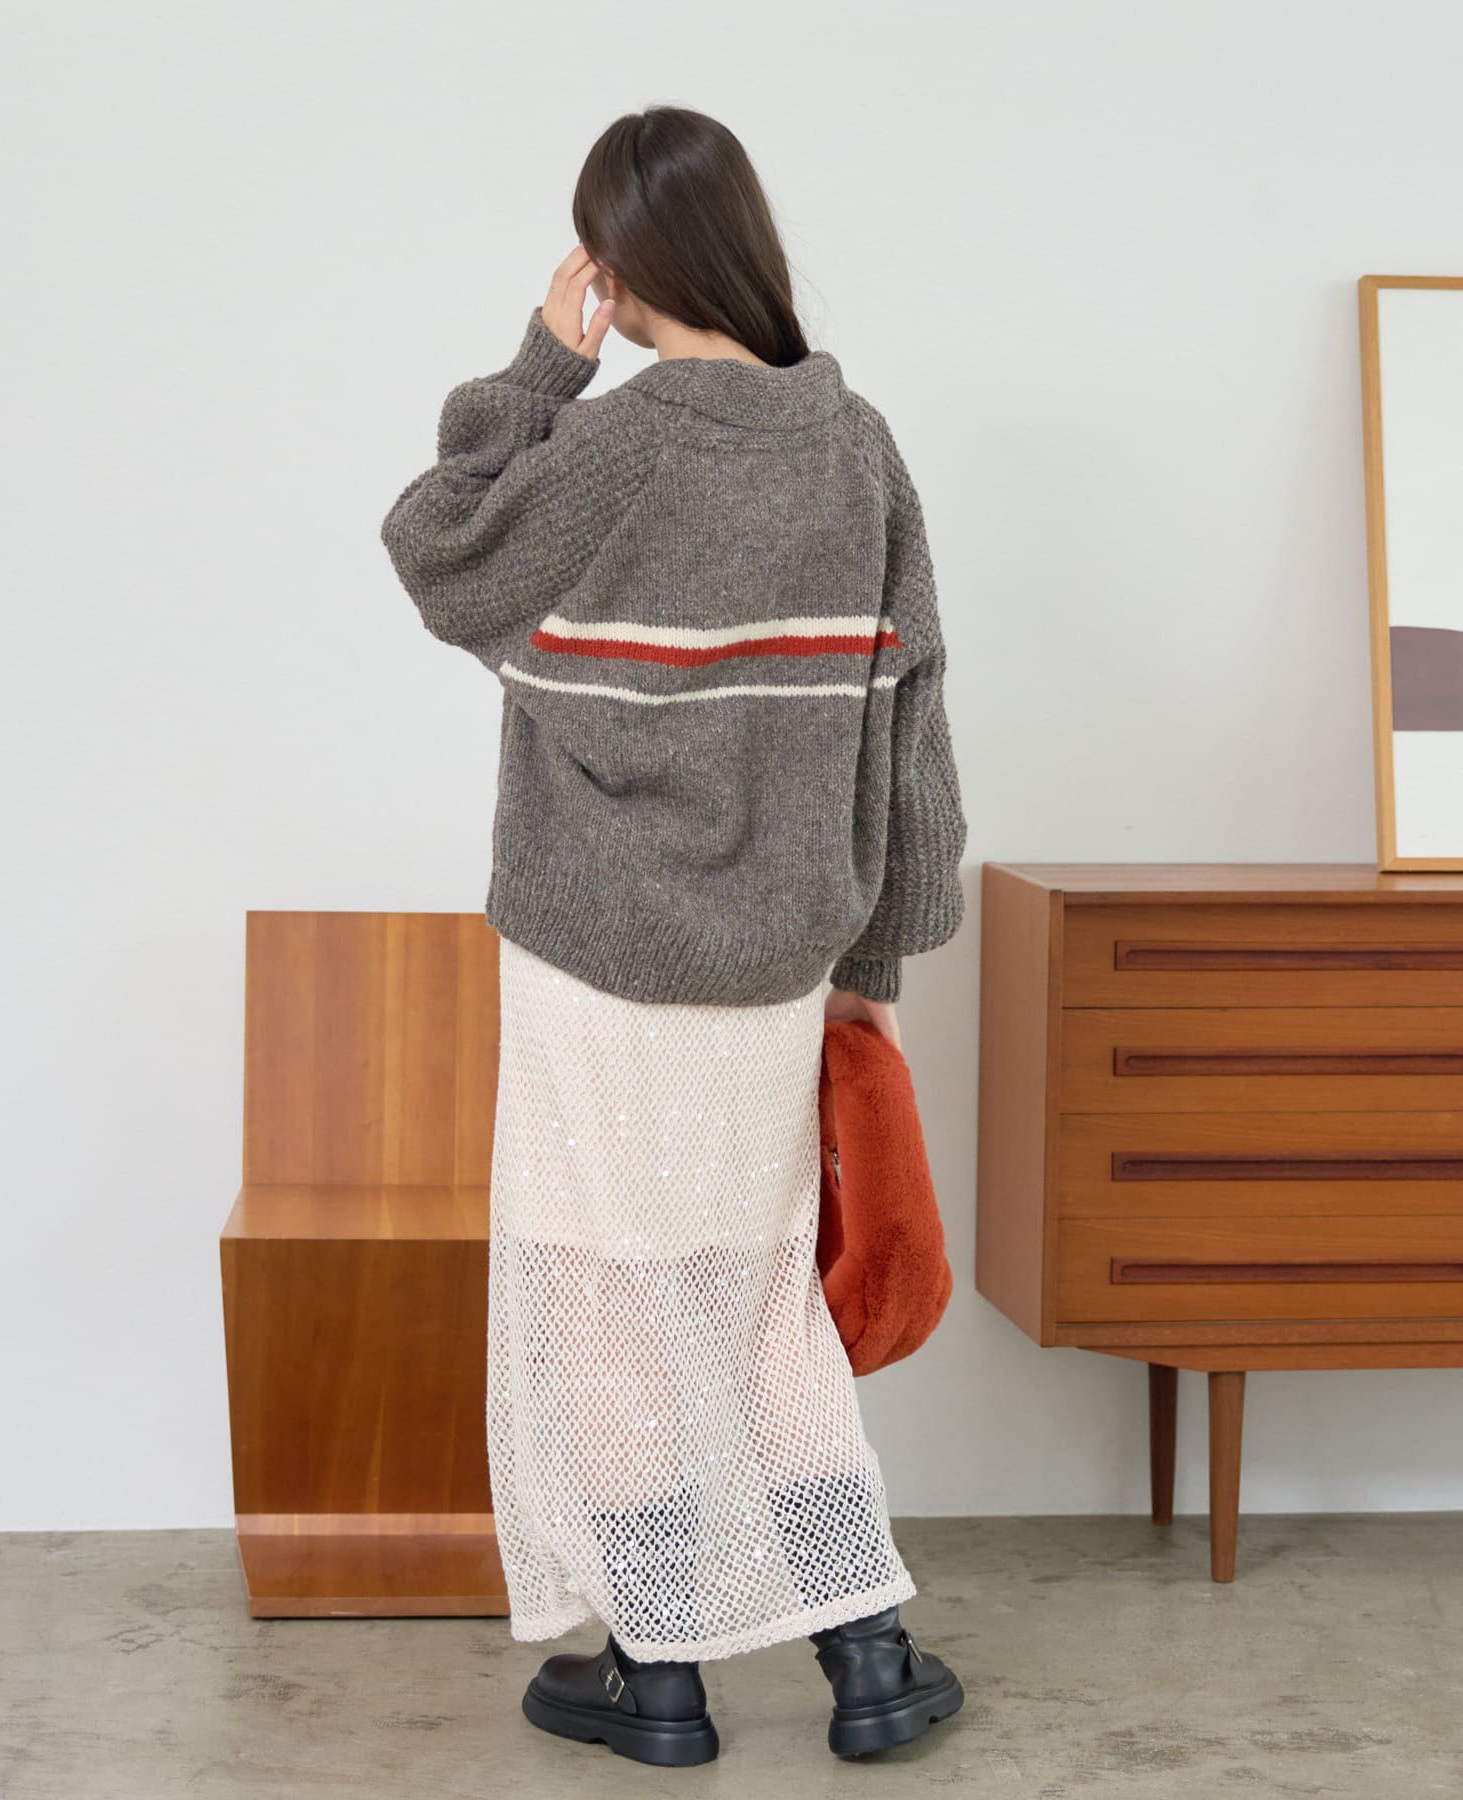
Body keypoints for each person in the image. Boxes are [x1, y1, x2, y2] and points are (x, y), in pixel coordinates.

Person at [379, 104, 968, 1768]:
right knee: (765, 1296)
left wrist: (540, 366)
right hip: (776, 974)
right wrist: (875, 970)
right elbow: (908, 727)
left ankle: (659, 1673)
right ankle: (869, 1659)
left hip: (594, 967)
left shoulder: (617, 447)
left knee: (609, 1302)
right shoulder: (857, 447)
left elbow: (434, 541)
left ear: (621, 266)